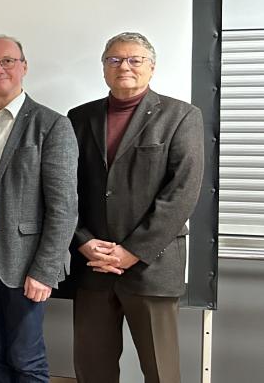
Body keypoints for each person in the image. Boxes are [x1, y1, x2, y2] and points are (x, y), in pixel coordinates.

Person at [68, 32, 204, 383]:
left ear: (152, 67)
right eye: (113, 60)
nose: (123, 66)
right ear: (103, 69)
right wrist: (83, 241)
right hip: (93, 265)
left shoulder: (181, 116)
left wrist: (132, 251)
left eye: (134, 59)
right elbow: (64, 190)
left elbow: (182, 192)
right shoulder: (78, 118)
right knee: (92, 369)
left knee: (161, 371)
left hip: (152, 267)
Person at [0, 36, 79, 383]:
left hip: (24, 261)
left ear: (23, 67)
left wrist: (45, 270)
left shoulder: (51, 125)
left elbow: (64, 207)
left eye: (8, 61)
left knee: (25, 357)